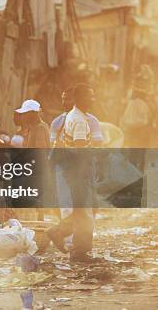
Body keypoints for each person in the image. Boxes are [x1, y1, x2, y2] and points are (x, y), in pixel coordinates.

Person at [47, 84, 98, 262]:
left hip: (74, 172)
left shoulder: (73, 116)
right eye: (90, 96)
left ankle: (60, 233)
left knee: (83, 211)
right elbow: (80, 151)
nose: (93, 99)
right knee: (84, 213)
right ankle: (79, 252)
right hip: (79, 172)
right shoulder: (80, 121)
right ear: (81, 98)